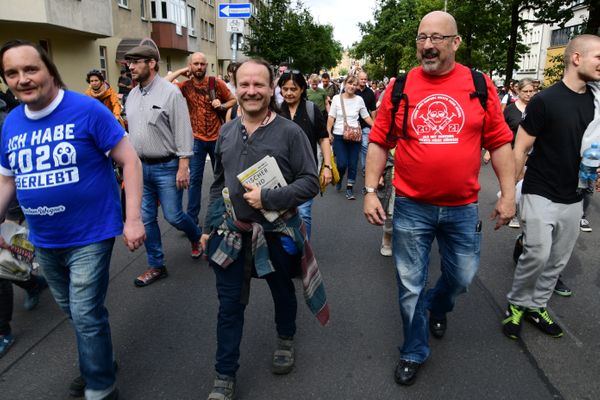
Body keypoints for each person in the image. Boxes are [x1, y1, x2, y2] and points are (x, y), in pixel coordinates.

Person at [363, 11, 515, 386]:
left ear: (455, 42)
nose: (427, 45)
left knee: (462, 277)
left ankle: (438, 303)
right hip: (412, 207)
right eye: (421, 38)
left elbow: (499, 142)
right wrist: (369, 191)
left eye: (437, 38)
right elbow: (380, 141)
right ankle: (414, 349)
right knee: (408, 284)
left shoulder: (479, 84)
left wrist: (508, 194)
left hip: (463, 207)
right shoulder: (401, 87)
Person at [0, 39, 145, 400]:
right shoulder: (12, 123)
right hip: (43, 238)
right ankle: (101, 361)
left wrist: (133, 219)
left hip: (91, 233)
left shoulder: (87, 109)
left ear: (49, 69)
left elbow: (130, 161)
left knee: (84, 312)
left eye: (30, 69)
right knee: (79, 313)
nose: (22, 79)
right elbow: (7, 179)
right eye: (12, 73)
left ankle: (100, 386)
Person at [200, 59, 327, 400]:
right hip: (232, 233)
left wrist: (270, 197)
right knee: (229, 306)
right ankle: (224, 375)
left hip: (276, 234)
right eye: (244, 84)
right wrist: (209, 226)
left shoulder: (290, 132)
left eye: (259, 84)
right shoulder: (226, 131)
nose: (251, 91)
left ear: (271, 88)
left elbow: (310, 183)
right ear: (235, 87)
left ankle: (286, 337)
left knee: (282, 292)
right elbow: (217, 185)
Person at [502, 34, 600, 341]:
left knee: (558, 259)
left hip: (575, 193)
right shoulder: (546, 100)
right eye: (598, 56)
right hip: (540, 190)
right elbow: (520, 148)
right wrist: (511, 194)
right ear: (576, 58)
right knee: (538, 253)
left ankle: (537, 305)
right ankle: (516, 305)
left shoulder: (597, 102)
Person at [124, 45, 202, 286]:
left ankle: (198, 236)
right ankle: (156, 265)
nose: (130, 66)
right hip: (139, 168)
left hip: (167, 167)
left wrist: (183, 165)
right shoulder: (133, 95)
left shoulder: (170, 93)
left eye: (136, 61)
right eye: (129, 62)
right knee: (146, 219)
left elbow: (183, 130)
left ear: (151, 63)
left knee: (174, 216)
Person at [165, 52, 237, 227]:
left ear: (206, 66)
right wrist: (182, 70)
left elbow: (234, 100)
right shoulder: (185, 86)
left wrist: (222, 105)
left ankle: (225, 215)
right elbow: (162, 85)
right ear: (191, 66)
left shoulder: (215, 83)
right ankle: (192, 219)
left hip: (218, 137)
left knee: (222, 178)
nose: (199, 67)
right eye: (195, 64)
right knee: (194, 181)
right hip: (195, 139)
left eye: (202, 64)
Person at [278, 69, 332, 239]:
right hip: (281, 173)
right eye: (285, 89)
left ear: (302, 89)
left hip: (307, 171)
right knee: (283, 214)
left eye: (293, 89)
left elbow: (323, 138)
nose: (288, 93)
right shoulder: (276, 112)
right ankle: (289, 248)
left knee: (303, 213)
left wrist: (327, 167)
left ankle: (304, 252)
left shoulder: (311, 110)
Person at [327, 75, 373, 200]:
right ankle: (340, 177)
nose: (352, 86)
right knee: (341, 164)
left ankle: (349, 189)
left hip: (355, 136)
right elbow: (331, 117)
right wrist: (328, 132)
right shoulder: (337, 98)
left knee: (353, 163)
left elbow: (365, 116)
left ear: (357, 86)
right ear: (345, 84)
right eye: (350, 83)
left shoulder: (359, 100)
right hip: (339, 135)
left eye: (354, 84)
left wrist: (376, 127)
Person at [356, 71, 377, 175]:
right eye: (362, 79)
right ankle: (352, 167)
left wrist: (374, 123)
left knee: (365, 146)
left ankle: (364, 168)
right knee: (354, 147)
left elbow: (373, 109)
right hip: (353, 124)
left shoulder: (370, 93)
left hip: (366, 124)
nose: (363, 81)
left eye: (365, 79)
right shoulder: (353, 90)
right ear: (358, 79)